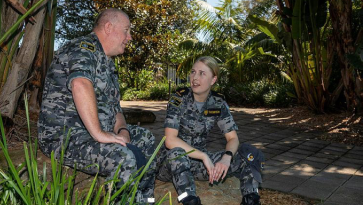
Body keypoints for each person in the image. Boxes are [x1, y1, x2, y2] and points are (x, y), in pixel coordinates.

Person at [38, 8, 156, 204]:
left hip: (92, 134)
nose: (130, 37)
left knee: (147, 139)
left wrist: (122, 130)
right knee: (124, 158)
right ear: (108, 27)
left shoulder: (108, 63)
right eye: (126, 30)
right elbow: (80, 84)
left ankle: (145, 200)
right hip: (66, 137)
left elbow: (115, 108)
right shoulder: (83, 48)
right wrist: (100, 134)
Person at [156, 56, 264, 205]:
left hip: (199, 165)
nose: (195, 77)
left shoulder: (217, 102)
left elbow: (233, 138)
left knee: (248, 153)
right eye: (193, 72)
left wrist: (226, 158)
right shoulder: (179, 99)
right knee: (177, 153)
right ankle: (190, 200)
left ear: (213, 80)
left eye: (202, 73)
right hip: (172, 164)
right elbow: (170, 140)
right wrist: (204, 157)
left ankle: (251, 198)